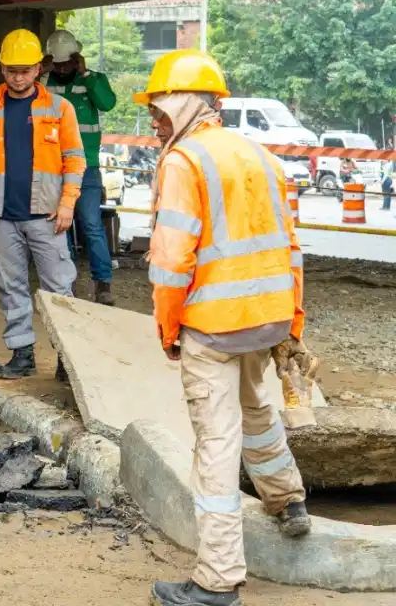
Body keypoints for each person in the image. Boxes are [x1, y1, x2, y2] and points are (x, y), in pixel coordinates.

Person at [141, 50, 311, 606]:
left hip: (212, 326)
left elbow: (170, 263)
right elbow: (290, 248)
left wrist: (168, 329)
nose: (155, 120)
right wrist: (293, 323)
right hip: (265, 319)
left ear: (190, 104)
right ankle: (288, 502)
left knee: (216, 444)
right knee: (258, 410)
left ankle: (218, 580)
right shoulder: (260, 156)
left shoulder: (183, 162)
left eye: (161, 108)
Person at [0, 29, 83, 380]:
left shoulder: (60, 109)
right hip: (1, 215)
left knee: (59, 287)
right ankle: (22, 354)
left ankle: (67, 358)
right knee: (8, 284)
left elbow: (74, 160)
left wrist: (67, 204)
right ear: (2, 69)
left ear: (38, 70)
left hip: (47, 214)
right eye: (12, 70)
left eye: (26, 70)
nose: (18, 77)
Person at [43, 30, 117, 305]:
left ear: (76, 59)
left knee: (91, 225)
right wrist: (40, 72)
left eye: (67, 63)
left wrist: (85, 75)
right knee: (61, 226)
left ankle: (103, 284)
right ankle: (66, 281)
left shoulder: (93, 80)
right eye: (57, 63)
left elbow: (108, 103)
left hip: (87, 167)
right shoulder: (43, 82)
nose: (62, 69)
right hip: (52, 168)